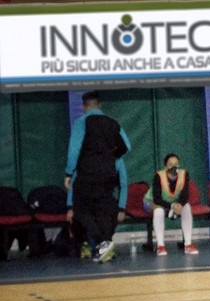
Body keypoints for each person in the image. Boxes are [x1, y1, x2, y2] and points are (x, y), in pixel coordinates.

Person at [64, 91, 131, 263]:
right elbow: (126, 146)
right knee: (102, 210)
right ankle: (104, 247)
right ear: (100, 105)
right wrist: (109, 157)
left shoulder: (81, 122)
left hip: (87, 174)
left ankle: (103, 244)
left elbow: (74, 150)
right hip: (107, 173)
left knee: (80, 210)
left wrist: (69, 173)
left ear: (84, 106)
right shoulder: (113, 123)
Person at [143, 153, 199, 256]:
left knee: (187, 207)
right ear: (165, 167)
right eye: (170, 164)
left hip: (173, 202)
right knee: (159, 210)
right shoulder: (158, 176)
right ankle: (160, 246)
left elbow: (185, 195)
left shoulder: (184, 174)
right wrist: (172, 206)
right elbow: (157, 199)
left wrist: (179, 205)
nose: (174, 167)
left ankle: (188, 244)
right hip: (152, 202)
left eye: (176, 164)